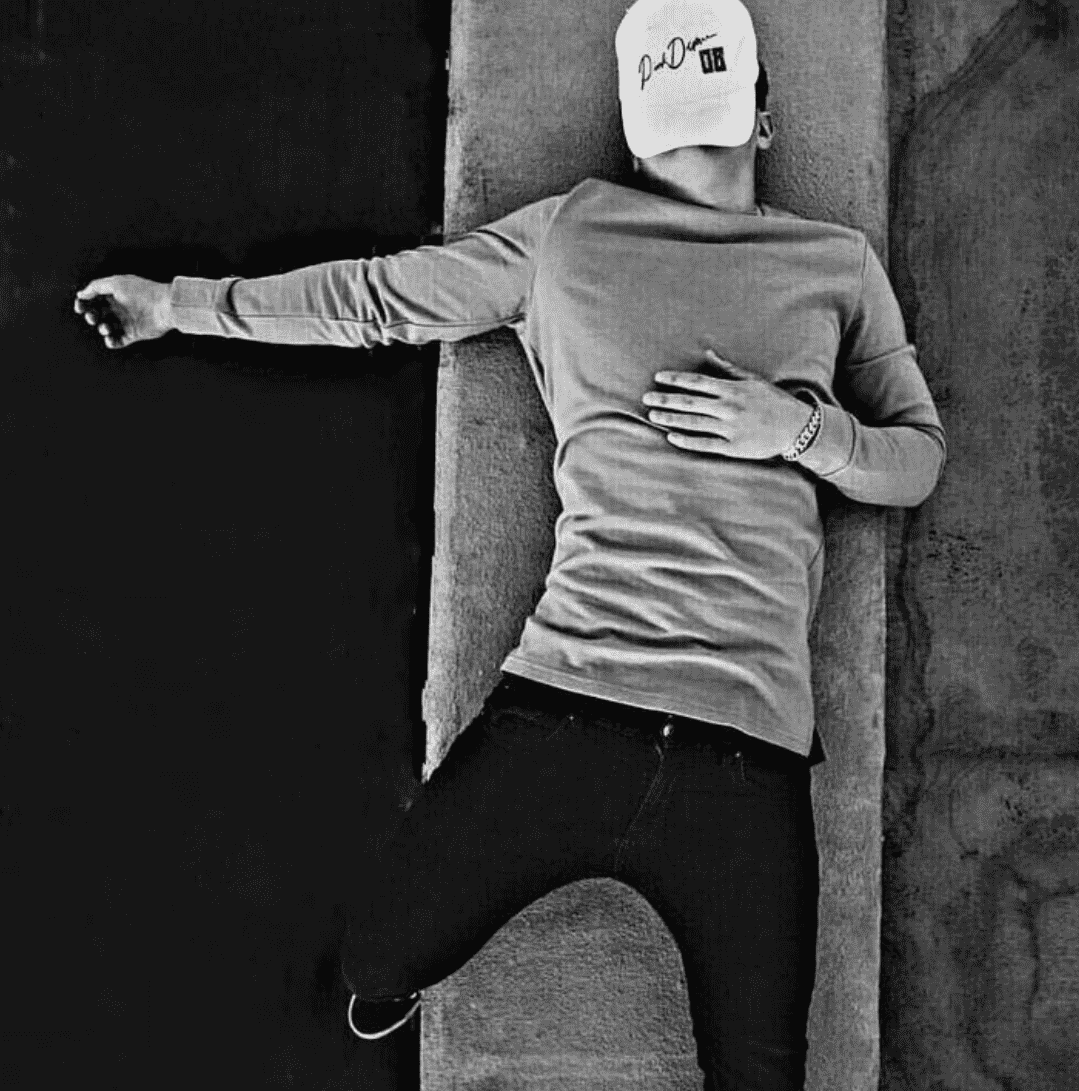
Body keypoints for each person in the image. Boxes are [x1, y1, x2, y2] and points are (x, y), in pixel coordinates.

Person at [74, 0, 945, 1086]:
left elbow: (914, 460)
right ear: (638, 137)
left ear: (761, 121)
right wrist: (179, 305)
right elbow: (379, 297)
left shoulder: (834, 263)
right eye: (677, 133)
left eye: (710, 129)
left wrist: (797, 428)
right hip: (570, 705)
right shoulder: (566, 231)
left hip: (745, 753)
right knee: (374, 961)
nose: (693, 153)